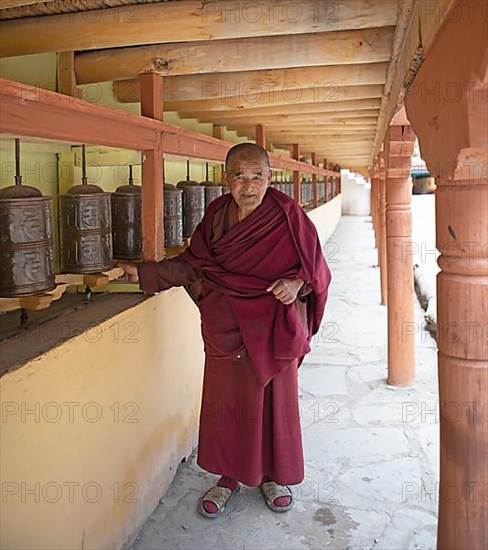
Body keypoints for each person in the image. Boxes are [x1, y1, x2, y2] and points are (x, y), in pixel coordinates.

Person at [117, 143, 331, 518]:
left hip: (272, 329)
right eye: (239, 176)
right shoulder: (217, 214)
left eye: (256, 176)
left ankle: (271, 476)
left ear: (269, 177)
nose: (248, 186)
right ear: (225, 177)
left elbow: (317, 270)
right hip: (227, 326)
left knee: (272, 406)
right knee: (227, 407)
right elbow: (193, 265)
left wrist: (297, 284)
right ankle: (228, 477)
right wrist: (146, 273)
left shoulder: (287, 215)